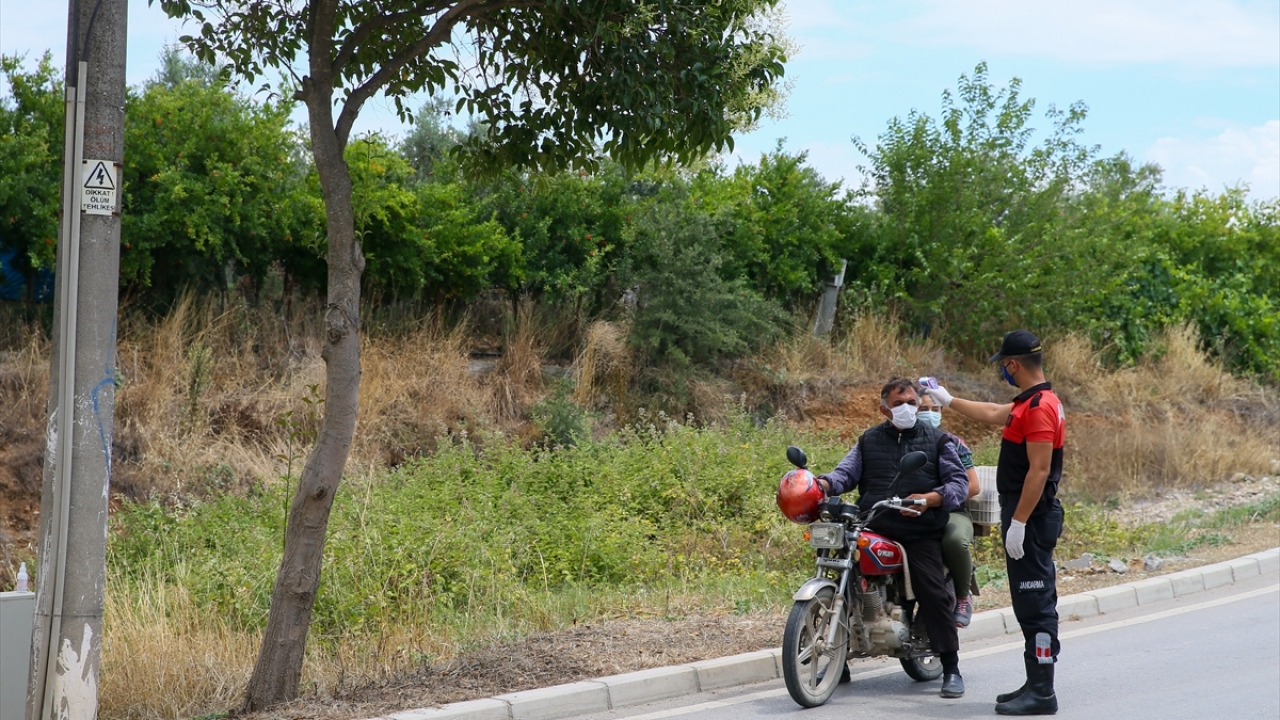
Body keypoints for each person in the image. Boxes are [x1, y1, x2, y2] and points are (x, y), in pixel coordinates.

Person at [922, 330, 1065, 716]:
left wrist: (1017, 523)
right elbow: (990, 412)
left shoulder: (1038, 408)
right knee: (1028, 603)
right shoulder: (1032, 401)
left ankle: (1042, 694)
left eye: (1005, 364)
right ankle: (1035, 681)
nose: (1004, 370)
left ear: (1013, 364)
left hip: (1031, 519)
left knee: (1035, 605)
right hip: (1028, 517)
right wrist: (947, 399)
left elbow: (1039, 470)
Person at [815, 377, 971, 699]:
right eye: (899, 403)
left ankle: (952, 668)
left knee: (931, 590)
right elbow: (846, 473)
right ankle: (838, 659)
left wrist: (930, 499)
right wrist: (823, 485)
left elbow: (959, 484)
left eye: (911, 403)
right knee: (843, 570)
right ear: (883, 408)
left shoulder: (938, 440)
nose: (907, 409)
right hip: (874, 522)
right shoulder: (869, 440)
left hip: (919, 529)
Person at [917, 389, 981, 627]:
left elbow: (973, 486)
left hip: (952, 510)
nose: (930, 414)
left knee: (954, 540)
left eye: (935, 409)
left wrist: (938, 499)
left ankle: (963, 595)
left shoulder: (952, 442)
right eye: (924, 409)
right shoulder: (898, 441)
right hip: (909, 509)